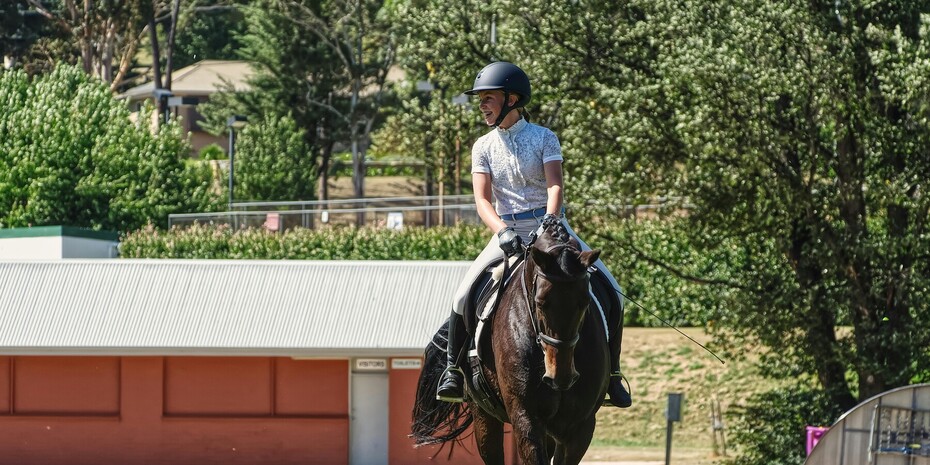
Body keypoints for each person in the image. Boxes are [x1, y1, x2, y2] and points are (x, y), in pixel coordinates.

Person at [435, 61, 632, 408]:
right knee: (463, 292)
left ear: (512, 99)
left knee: (612, 288)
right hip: (507, 230)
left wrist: (550, 220)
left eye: (488, 98)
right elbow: (482, 200)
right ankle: (453, 370)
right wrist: (503, 231)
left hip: (551, 228)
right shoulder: (482, 146)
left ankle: (613, 375)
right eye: (480, 100)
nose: (482, 105)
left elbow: (554, 184)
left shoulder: (543, 137)